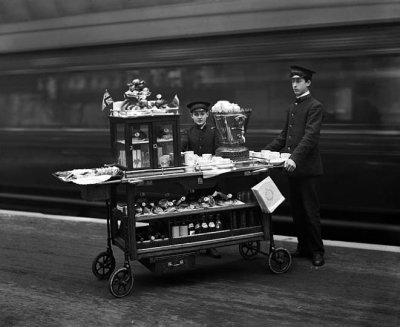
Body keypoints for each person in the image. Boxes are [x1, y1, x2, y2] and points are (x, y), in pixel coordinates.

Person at [264, 65, 325, 267]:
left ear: (308, 82)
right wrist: (264, 152)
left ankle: (317, 251)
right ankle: (303, 247)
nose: (294, 85)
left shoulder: (315, 106)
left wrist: (294, 158)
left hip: (307, 170)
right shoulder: (292, 108)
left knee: (310, 212)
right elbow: (284, 137)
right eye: (292, 81)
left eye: (298, 81)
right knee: (298, 211)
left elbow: (310, 138)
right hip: (293, 169)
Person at [183, 100, 221, 259]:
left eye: (202, 114)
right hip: (194, 176)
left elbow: (219, 150)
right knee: (194, 207)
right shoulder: (188, 132)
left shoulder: (214, 131)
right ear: (191, 116)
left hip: (211, 176)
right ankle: (195, 241)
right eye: (196, 114)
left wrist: (213, 159)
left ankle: (211, 244)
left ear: (207, 114)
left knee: (210, 208)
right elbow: (183, 149)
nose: (199, 117)